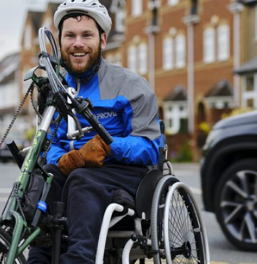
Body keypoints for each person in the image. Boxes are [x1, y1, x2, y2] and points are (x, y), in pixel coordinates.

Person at [27, 0, 162, 263]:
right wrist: (63, 160)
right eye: (70, 36)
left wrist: (107, 146)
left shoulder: (131, 85)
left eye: (86, 35)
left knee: (82, 180)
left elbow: (150, 146)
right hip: (75, 172)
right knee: (41, 179)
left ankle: (79, 259)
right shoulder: (55, 90)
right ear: (60, 41)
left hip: (123, 174)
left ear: (102, 40)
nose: (78, 43)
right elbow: (52, 143)